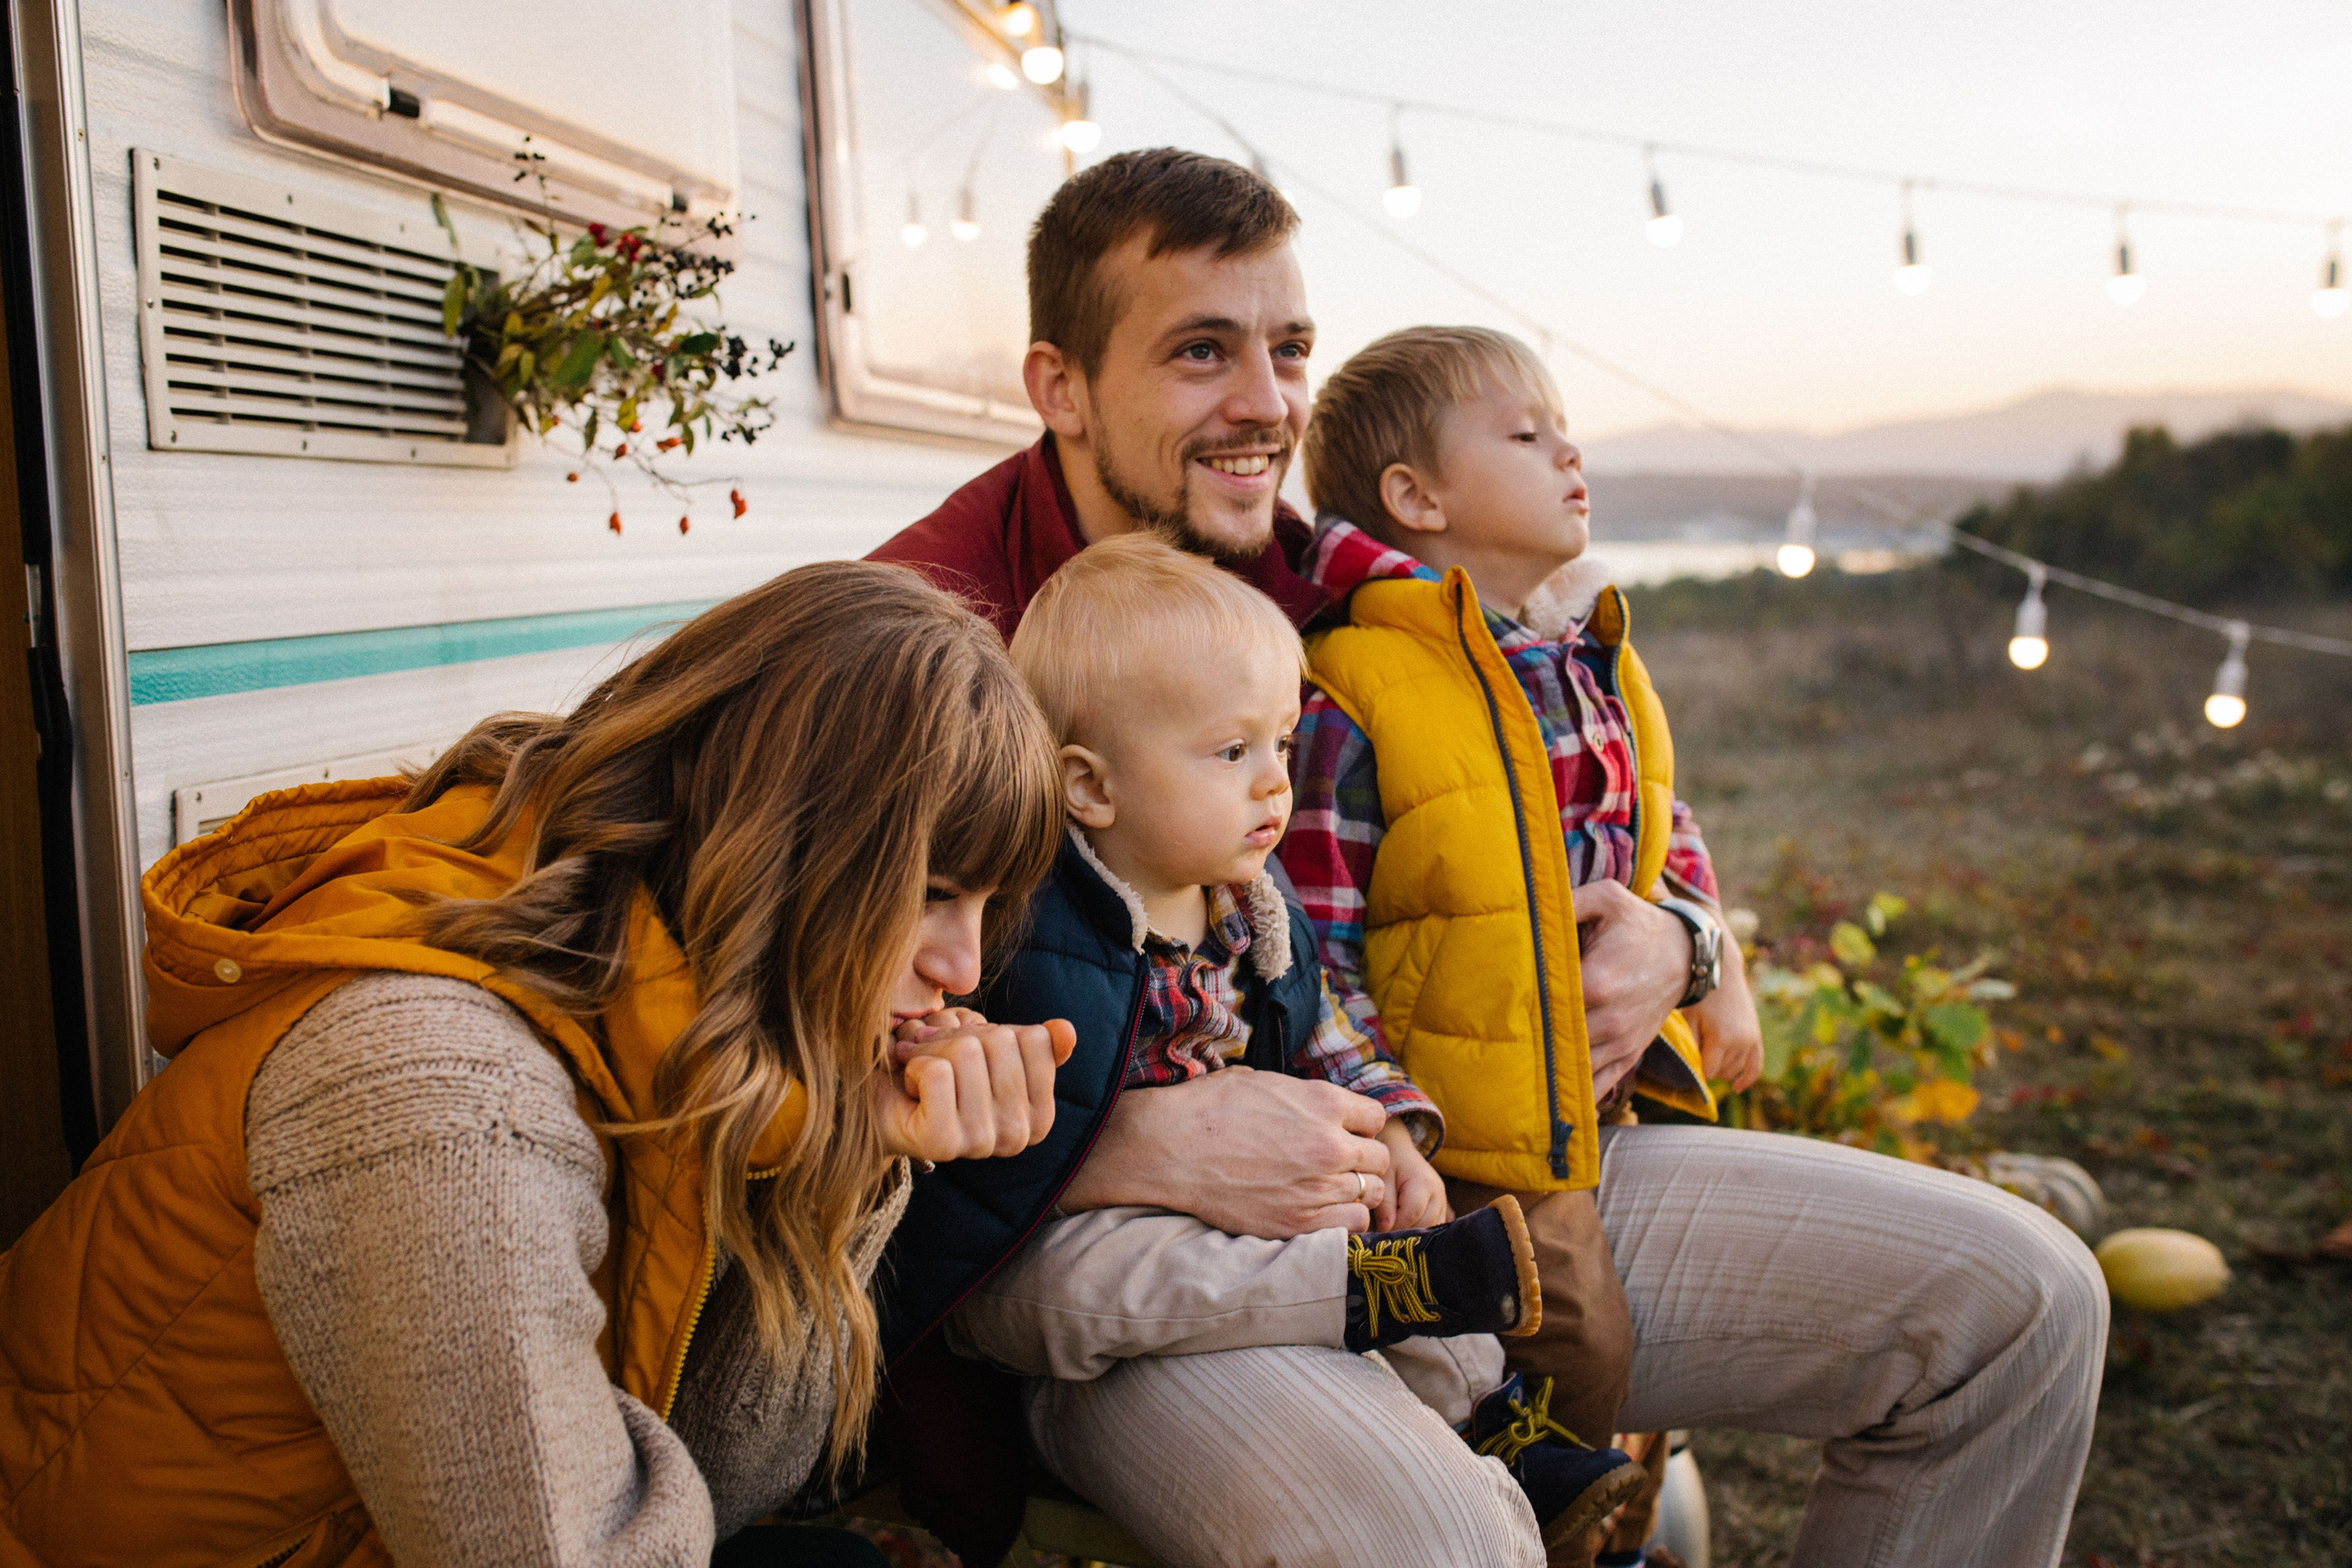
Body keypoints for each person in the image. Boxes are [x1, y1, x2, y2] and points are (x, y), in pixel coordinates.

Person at [874, 147, 2110, 1568]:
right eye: (1201, 352)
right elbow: (790, 1041)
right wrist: (1108, 1136)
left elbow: (1597, 773)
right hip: (1113, 1269)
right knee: (1436, 1538)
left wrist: (1684, 937)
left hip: (1461, 1156)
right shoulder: (925, 632)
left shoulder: (1369, 593)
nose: (1267, 406)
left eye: (1287, 350)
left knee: (2024, 1300)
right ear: (1062, 387)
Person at [0, 564, 1073, 1567]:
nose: (963, 967)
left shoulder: (657, 1022)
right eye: (931, 892)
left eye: (987, 906)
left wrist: (849, 1146)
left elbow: (732, 1478)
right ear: (774, 846)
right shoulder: (446, 1103)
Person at [942, 534, 1649, 1560]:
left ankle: (1497, 1423)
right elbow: (981, 1141)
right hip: (1064, 1269)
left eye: (1283, 740)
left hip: (1246, 1234)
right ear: (1089, 788)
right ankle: (1362, 1292)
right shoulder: (1028, 928)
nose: (1276, 782)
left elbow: (1332, 1037)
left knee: (1398, 1237)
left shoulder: (1257, 915)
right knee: (1085, 1278)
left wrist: (1397, 1136)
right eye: (1232, 753)